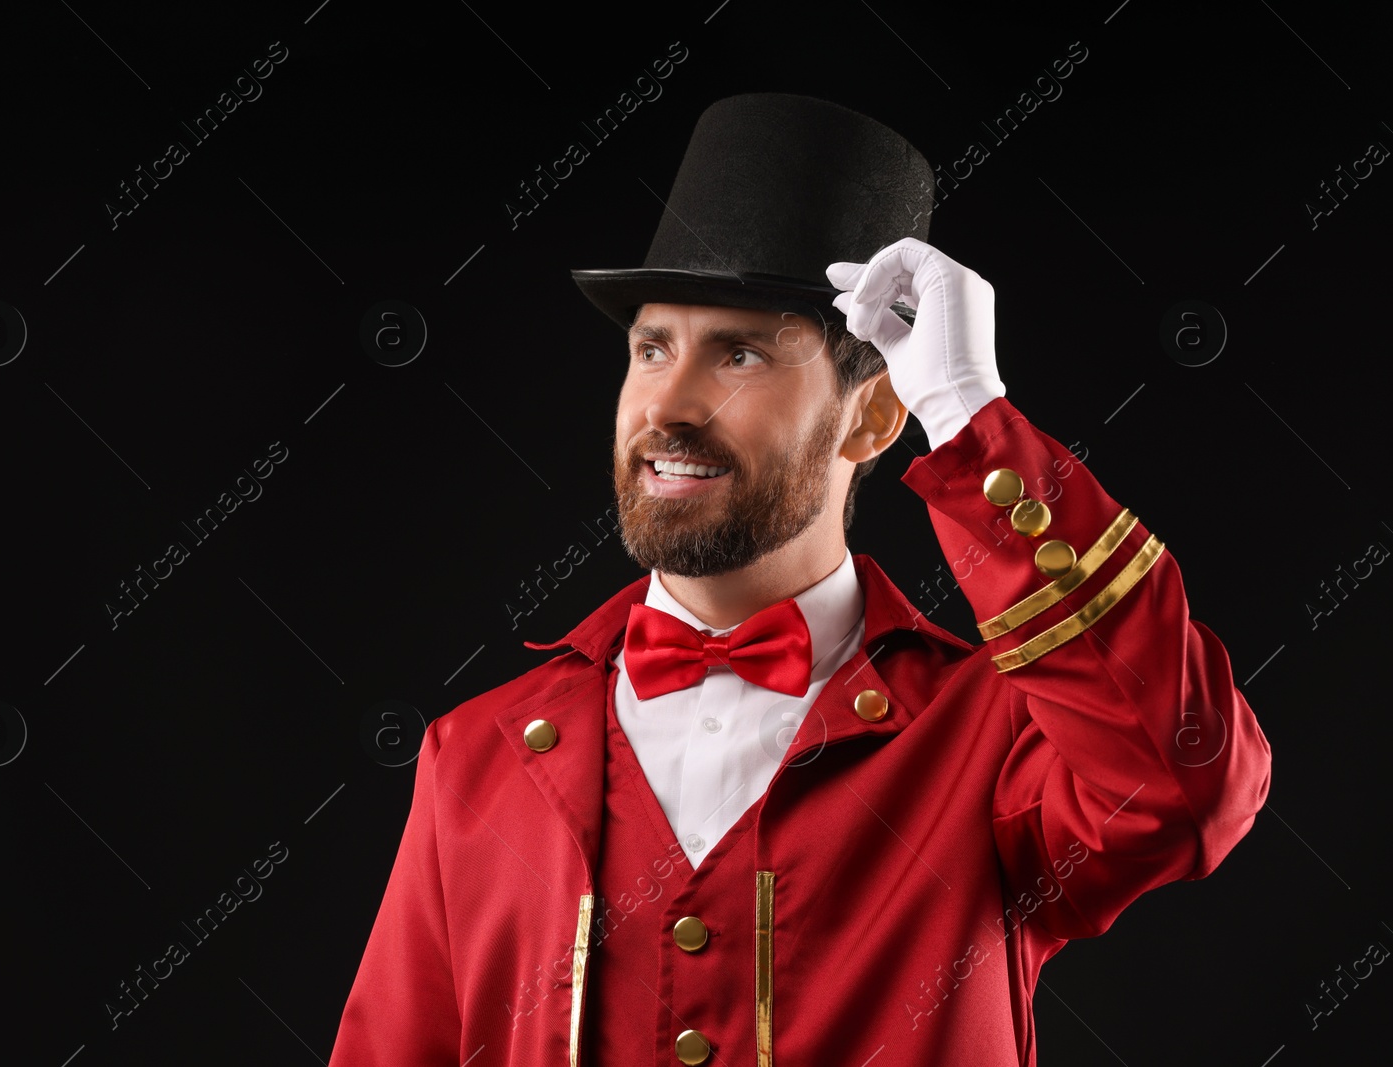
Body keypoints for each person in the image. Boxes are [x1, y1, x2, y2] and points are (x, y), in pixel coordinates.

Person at [326, 93, 1271, 1066]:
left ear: (868, 421)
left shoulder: (994, 738)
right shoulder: (471, 752)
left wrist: (969, 408)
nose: (670, 404)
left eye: (739, 353)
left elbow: (1185, 786)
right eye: (651, 348)